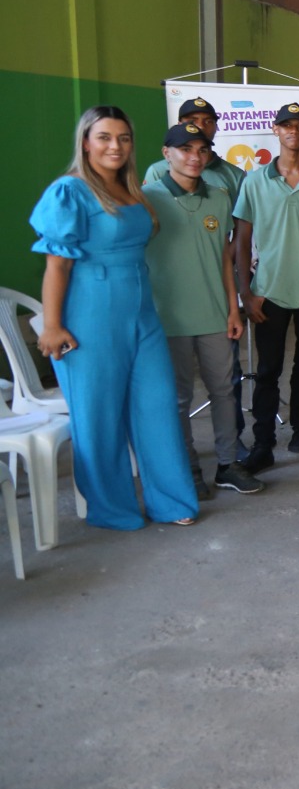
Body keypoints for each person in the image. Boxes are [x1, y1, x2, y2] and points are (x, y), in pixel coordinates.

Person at [30, 106, 200, 530]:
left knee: (157, 406)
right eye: (104, 137)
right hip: (90, 312)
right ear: (85, 142)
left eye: (123, 138)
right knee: (99, 414)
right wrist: (52, 325)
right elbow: (56, 266)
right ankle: (113, 508)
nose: (115, 146)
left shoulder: (133, 189)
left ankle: (172, 501)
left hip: (141, 311)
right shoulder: (69, 191)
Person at [143, 122, 252, 500]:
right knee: (177, 398)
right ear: (166, 153)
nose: (194, 157)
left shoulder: (219, 197)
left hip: (214, 315)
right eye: (185, 149)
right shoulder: (147, 198)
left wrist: (233, 308)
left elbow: (224, 257)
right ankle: (187, 468)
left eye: (202, 150)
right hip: (167, 317)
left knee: (224, 391)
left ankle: (227, 464)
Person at [233, 101, 299, 472]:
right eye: (286, 125)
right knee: (267, 371)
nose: (293, 132)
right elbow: (241, 240)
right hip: (269, 293)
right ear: (276, 130)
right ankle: (263, 442)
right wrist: (246, 292)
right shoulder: (254, 181)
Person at [144, 96, 246, 209]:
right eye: (192, 121)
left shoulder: (235, 175)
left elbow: (238, 223)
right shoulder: (158, 171)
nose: (201, 126)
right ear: (179, 124)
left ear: (216, 127)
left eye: (208, 121)